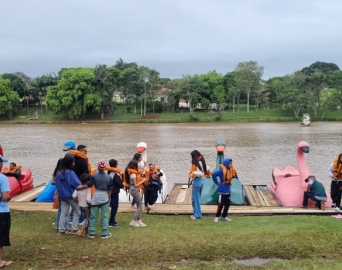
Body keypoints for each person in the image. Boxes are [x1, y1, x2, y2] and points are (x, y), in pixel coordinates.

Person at [56, 153, 82, 234]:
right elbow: (77, 184)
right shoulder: (70, 173)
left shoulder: (58, 172)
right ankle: (74, 228)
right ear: (70, 163)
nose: (74, 163)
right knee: (77, 211)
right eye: (73, 162)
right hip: (71, 196)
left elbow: (57, 184)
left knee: (64, 212)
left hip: (62, 196)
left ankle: (61, 229)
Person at [87, 161, 113, 239]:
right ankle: (104, 233)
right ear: (104, 168)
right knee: (104, 216)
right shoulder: (109, 177)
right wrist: (109, 198)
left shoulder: (94, 176)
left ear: (98, 167)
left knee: (93, 216)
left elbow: (89, 185)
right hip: (105, 196)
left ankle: (91, 232)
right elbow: (110, 189)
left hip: (96, 195)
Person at [211, 158, 237, 222]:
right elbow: (213, 174)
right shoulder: (221, 171)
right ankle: (216, 217)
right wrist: (217, 182)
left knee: (227, 204)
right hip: (222, 191)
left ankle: (224, 216)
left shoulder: (231, 170)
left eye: (231, 163)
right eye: (229, 163)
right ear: (226, 164)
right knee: (220, 204)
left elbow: (234, 176)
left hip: (228, 190)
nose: (230, 165)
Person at [124, 160, 147, 227]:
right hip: (134, 190)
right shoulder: (133, 174)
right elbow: (135, 185)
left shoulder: (131, 172)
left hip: (133, 190)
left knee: (139, 205)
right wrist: (143, 180)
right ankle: (134, 220)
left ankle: (139, 220)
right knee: (140, 206)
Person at [189, 150, 211, 220]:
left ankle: (197, 215)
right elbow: (207, 172)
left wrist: (192, 174)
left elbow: (196, 174)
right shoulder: (202, 162)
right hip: (201, 181)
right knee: (194, 198)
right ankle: (195, 213)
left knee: (196, 199)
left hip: (197, 181)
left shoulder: (196, 163)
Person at [0, 173, 13, 268]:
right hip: (1, 211)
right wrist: (9, 197)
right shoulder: (2, 178)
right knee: (0, 237)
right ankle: (0, 262)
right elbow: (5, 196)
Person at [107, 159, 124, 228]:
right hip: (114, 192)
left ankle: (108, 221)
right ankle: (111, 221)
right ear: (116, 165)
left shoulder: (108, 173)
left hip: (108, 192)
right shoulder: (116, 175)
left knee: (107, 206)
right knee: (114, 207)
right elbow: (121, 185)